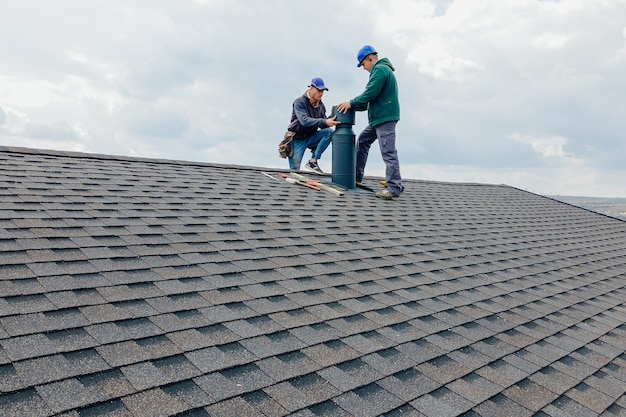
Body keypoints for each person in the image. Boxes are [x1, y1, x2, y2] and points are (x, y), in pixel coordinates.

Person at [337, 45, 404, 201]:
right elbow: (370, 101)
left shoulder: (380, 70)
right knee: (363, 141)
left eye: (363, 64)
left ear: (370, 58)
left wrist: (351, 103)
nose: (363, 68)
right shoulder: (381, 70)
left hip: (385, 118)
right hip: (378, 119)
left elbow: (369, 94)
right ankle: (356, 177)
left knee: (388, 152)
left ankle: (394, 188)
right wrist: (351, 107)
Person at [286, 78, 339, 173]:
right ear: (311, 88)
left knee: (329, 132)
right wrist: (324, 121)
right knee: (294, 172)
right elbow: (304, 121)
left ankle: (313, 161)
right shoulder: (299, 102)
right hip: (297, 140)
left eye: (323, 91)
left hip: (311, 137)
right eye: (319, 90)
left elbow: (323, 125)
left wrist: (332, 117)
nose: (321, 93)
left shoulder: (321, 106)